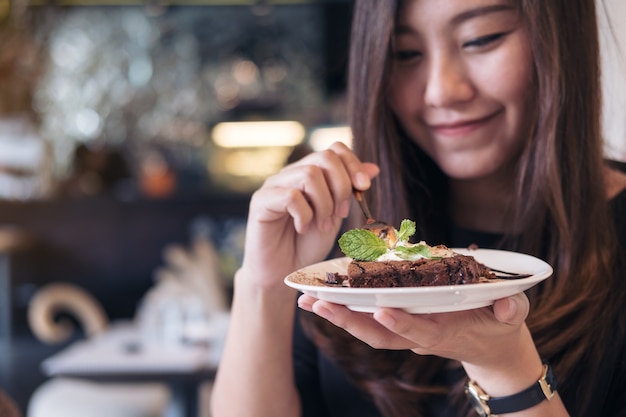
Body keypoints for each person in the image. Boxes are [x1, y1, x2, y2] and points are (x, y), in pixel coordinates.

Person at [211, 0, 626, 416]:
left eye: (481, 39)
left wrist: (505, 366)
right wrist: (263, 285)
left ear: (562, 39)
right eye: (405, 53)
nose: (441, 90)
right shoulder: (338, 246)